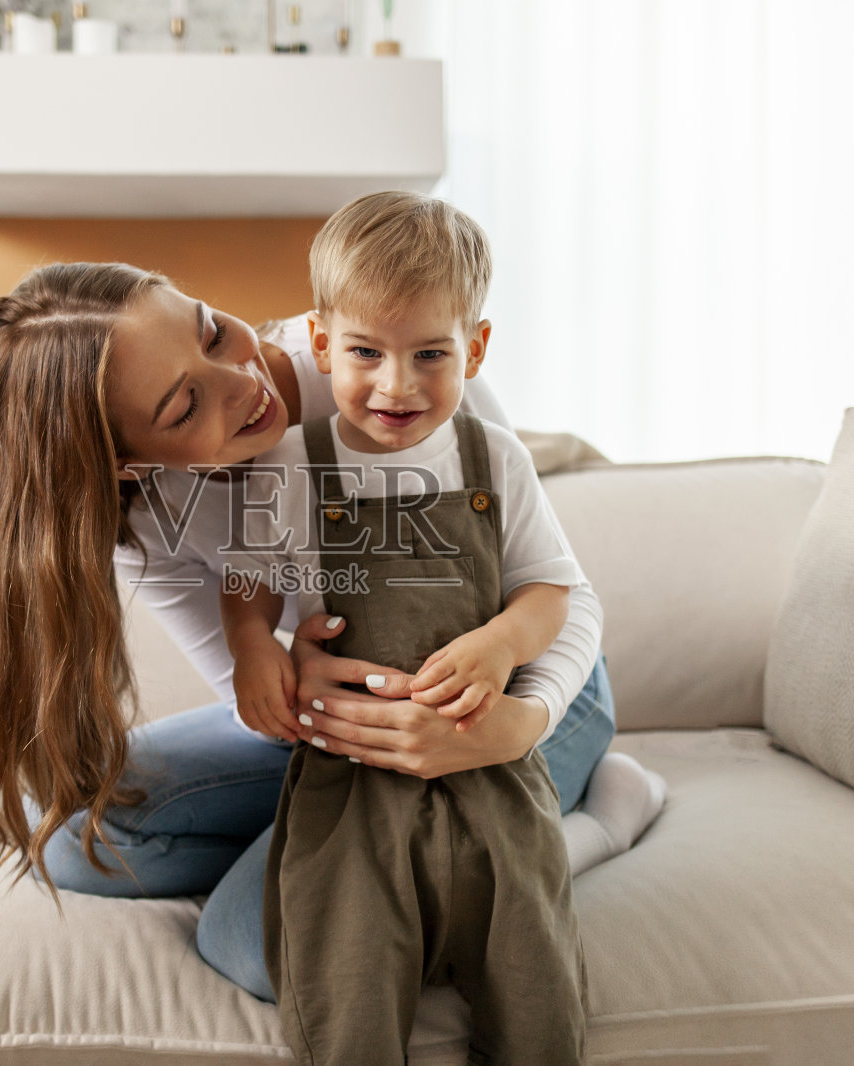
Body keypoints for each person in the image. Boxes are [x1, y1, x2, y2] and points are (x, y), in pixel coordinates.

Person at [0, 254, 666, 1007]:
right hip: (344, 736)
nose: (242, 382)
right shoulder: (143, 519)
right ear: (128, 465)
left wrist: (520, 725)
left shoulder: (390, 357)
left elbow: (562, 597)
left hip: (522, 698)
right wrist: (294, 692)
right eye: (185, 408)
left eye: (211, 330)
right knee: (72, 840)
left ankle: (597, 826)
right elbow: (245, 693)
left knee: (259, 948)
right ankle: (403, 850)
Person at [220, 191, 593, 1064]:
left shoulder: (493, 458)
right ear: (320, 344)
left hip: (491, 771)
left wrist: (502, 644)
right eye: (365, 352)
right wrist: (251, 648)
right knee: (345, 987)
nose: (399, 384)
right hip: (351, 786)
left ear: (477, 347)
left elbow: (551, 592)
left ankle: (593, 829)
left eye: (432, 353)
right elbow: (247, 581)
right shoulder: (290, 464)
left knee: (535, 988)